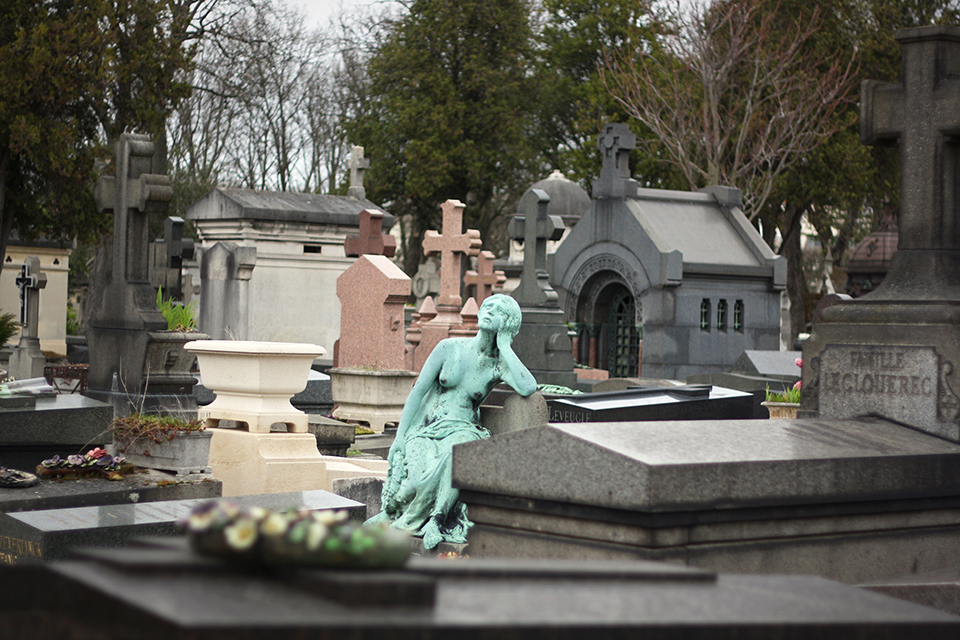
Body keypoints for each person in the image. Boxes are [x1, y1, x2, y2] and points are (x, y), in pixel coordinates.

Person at [368, 294, 537, 549]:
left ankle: (437, 519)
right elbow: (418, 392)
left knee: (457, 453)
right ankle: (393, 513)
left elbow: (528, 387)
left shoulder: (497, 364)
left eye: (498, 311)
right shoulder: (449, 347)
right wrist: (399, 438)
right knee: (412, 485)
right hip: (427, 430)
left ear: (508, 324)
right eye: (487, 306)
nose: (488, 311)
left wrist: (505, 346)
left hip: (464, 430)